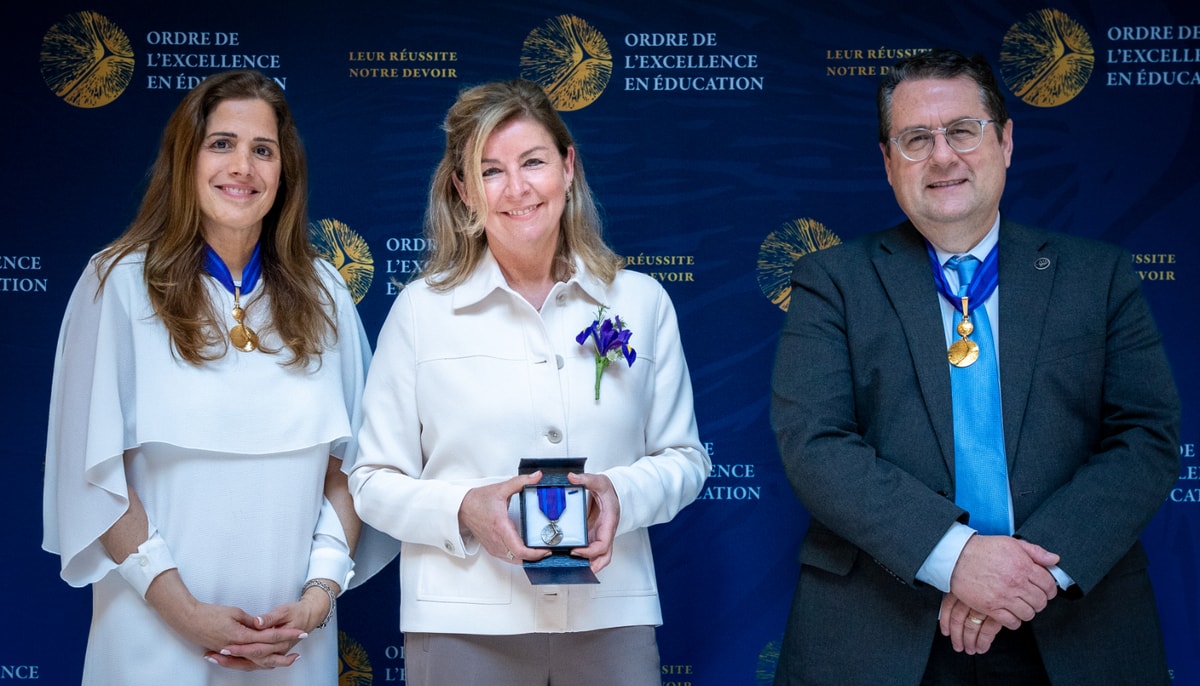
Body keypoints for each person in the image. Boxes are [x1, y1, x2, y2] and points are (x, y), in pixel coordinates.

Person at [770, 49, 1180, 685]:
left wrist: (1026, 577)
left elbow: (1146, 438)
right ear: (888, 162)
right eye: (915, 139)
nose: (942, 156)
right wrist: (957, 557)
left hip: (1073, 622)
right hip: (879, 630)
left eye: (963, 130)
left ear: (1006, 141)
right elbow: (815, 444)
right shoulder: (832, 281)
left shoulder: (1099, 277)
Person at [348, 78, 709, 686]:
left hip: (609, 615)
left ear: (568, 167)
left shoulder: (642, 301)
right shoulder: (419, 311)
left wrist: (618, 495)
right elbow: (371, 481)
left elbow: (685, 459)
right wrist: (464, 508)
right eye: (490, 171)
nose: (516, 188)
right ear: (464, 191)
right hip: (464, 623)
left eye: (533, 162)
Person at [42, 69, 395, 684]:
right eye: (222, 144)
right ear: (186, 159)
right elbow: (94, 475)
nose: (243, 167)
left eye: (263, 150)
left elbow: (351, 469)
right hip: (153, 638)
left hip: (290, 645)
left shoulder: (325, 292)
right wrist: (182, 611)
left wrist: (319, 594)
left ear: (285, 171)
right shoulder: (116, 283)